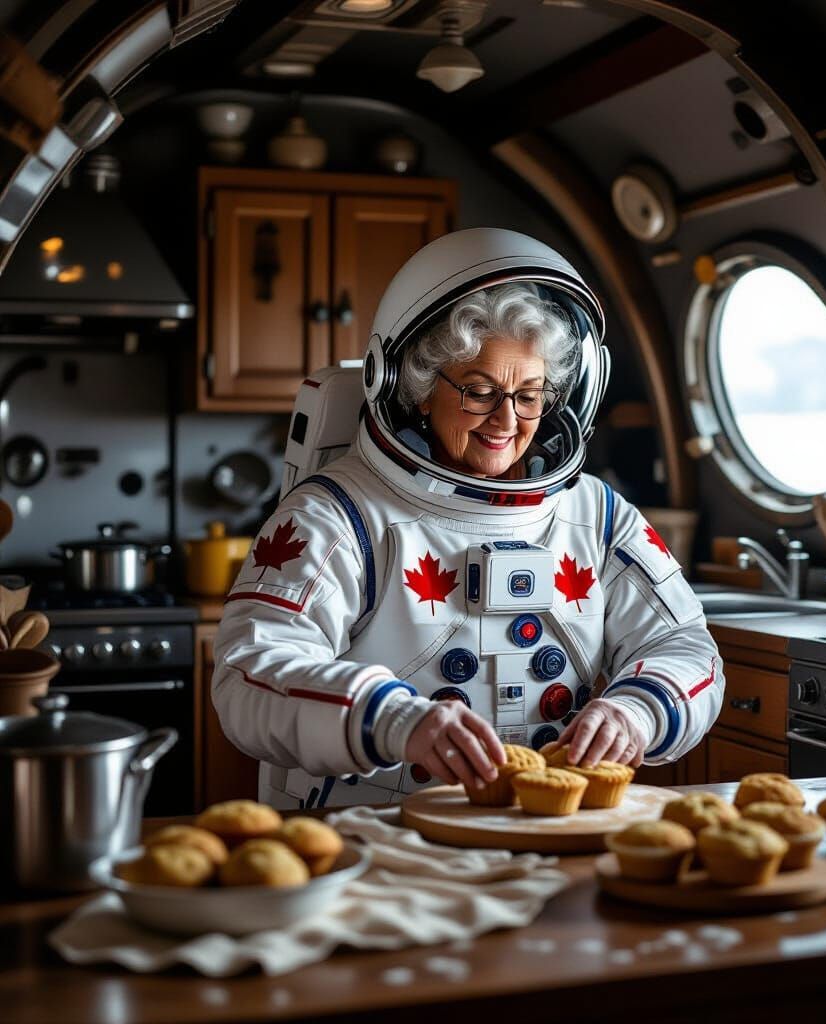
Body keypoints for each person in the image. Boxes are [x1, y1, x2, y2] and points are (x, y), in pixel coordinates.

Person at [212, 227, 724, 809]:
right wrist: (396, 720)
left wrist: (637, 710)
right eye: (480, 391)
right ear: (418, 387)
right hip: (376, 841)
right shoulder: (336, 516)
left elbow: (686, 645)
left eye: (530, 394)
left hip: (545, 832)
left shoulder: (596, 516)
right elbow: (248, 674)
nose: (508, 419)